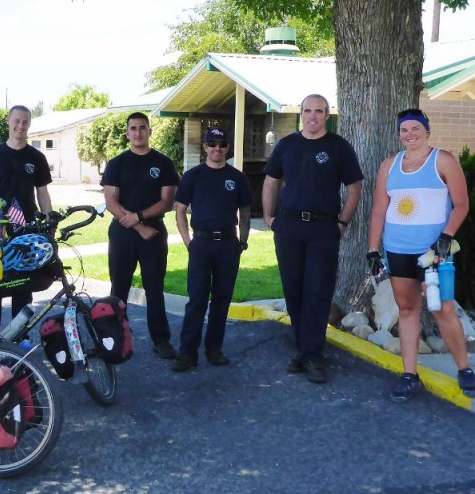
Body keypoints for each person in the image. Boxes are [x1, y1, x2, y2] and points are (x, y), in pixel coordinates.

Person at [368, 108, 475, 402]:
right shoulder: (389, 165)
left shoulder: (443, 160)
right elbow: (379, 210)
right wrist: (373, 249)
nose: (410, 134)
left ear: (427, 130)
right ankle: (410, 375)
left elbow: (462, 204)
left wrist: (446, 237)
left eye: (416, 128)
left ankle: (465, 370)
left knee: (442, 308)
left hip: (433, 253)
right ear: (399, 134)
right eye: (404, 130)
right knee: (407, 309)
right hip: (397, 249)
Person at [261, 94, 363, 384]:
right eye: (308, 111)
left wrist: (342, 223)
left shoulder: (338, 147)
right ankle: (303, 350)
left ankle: (314, 356)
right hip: (289, 226)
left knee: (318, 291)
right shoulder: (286, 145)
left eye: (319, 111)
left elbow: (354, 187)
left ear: (327, 115)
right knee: (293, 290)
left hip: (323, 229)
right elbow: (271, 180)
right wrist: (269, 217)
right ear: (301, 113)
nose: (313, 116)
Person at [171, 127, 252, 372]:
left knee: (221, 299)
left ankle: (214, 349)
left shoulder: (238, 178)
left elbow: (245, 212)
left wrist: (242, 242)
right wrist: (188, 241)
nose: (217, 148)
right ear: (205, 147)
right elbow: (180, 211)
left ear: (228, 148)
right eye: (213, 143)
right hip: (201, 244)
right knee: (197, 299)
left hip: (228, 244)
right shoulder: (192, 176)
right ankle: (187, 353)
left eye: (222, 144)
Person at [101, 112, 180, 359]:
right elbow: (111, 202)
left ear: (149, 131)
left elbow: (167, 202)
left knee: (154, 287)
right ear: (127, 133)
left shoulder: (163, 163)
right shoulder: (116, 164)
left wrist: (139, 217)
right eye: (133, 128)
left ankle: (161, 340)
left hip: (154, 233)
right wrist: (137, 225)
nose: (138, 132)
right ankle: (115, 339)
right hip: (122, 233)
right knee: (119, 288)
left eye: (142, 128)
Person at [0, 105, 53, 325]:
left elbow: (43, 193)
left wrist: (49, 223)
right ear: (8, 121)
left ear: (29, 124)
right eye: (16, 121)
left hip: (26, 231)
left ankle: (19, 337)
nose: (20, 126)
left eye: (25, 122)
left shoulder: (37, 157)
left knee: (23, 287)